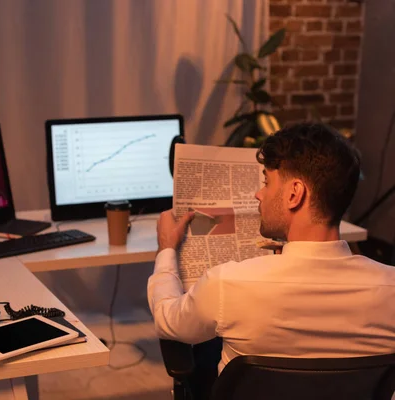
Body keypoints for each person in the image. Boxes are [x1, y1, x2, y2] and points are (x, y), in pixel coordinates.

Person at [148, 123, 395, 395]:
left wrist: (167, 250)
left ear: (294, 194)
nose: (259, 193)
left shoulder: (228, 284)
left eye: (266, 181)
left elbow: (167, 319)